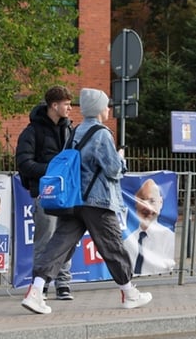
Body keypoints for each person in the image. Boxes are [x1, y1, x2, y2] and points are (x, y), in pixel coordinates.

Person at [21, 88, 152, 314]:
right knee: (112, 246)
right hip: (97, 201)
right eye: (106, 105)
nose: (109, 109)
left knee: (59, 245)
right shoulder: (101, 134)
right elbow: (112, 170)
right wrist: (121, 159)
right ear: (100, 109)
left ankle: (36, 292)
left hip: (74, 200)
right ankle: (129, 292)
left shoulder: (76, 130)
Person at [15, 85, 75, 300]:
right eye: (66, 104)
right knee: (44, 240)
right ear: (54, 105)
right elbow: (23, 163)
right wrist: (52, 172)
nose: (70, 108)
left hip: (66, 194)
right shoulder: (32, 132)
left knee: (66, 239)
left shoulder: (69, 129)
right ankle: (40, 286)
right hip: (45, 193)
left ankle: (63, 283)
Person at [124, 178, 176, 275]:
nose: (147, 207)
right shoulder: (128, 240)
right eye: (142, 200)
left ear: (160, 203)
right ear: (135, 202)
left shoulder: (168, 238)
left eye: (152, 201)